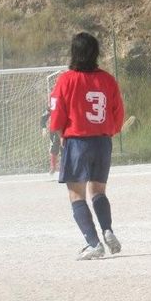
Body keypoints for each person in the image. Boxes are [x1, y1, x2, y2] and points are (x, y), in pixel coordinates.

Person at [48, 32, 125, 259]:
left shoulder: (66, 80)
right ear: (96, 53)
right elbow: (118, 112)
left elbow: (56, 113)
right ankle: (107, 230)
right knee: (98, 191)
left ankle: (93, 243)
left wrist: (60, 133)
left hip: (78, 142)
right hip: (102, 142)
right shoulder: (108, 79)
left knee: (76, 194)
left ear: (74, 52)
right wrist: (109, 131)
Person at [40, 105, 62, 176]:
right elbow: (43, 117)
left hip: (65, 129)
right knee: (54, 148)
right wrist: (44, 128)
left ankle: (65, 167)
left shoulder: (67, 104)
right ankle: (53, 167)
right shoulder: (52, 106)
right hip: (54, 130)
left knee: (65, 148)